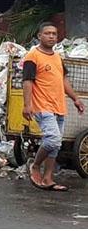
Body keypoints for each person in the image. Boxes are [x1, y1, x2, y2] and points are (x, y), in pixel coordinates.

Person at [23, 22, 85, 191]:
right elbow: (27, 81)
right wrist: (27, 105)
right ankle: (35, 165)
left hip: (59, 105)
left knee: (56, 145)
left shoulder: (57, 56)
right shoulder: (32, 56)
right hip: (42, 106)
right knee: (53, 139)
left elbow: (64, 80)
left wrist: (75, 99)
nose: (51, 36)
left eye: (54, 34)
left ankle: (48, 178)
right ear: (39, 36)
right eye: (47, 33)